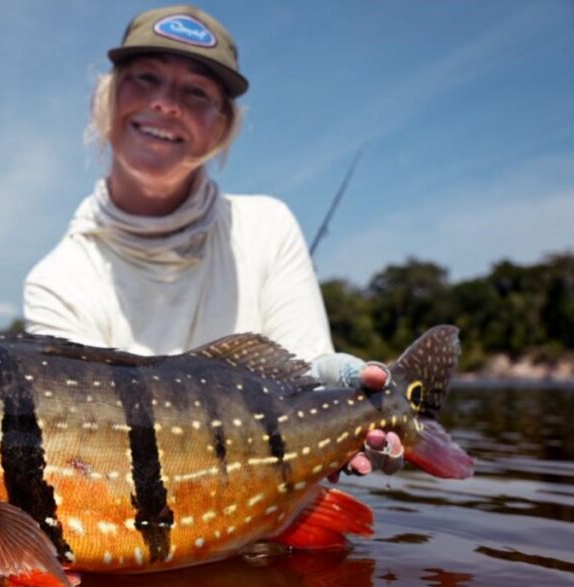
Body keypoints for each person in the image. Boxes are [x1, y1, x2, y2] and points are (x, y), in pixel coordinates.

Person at [23, 4, 401, 476]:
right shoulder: (56, 280)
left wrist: (341, 387)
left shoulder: (270, 225)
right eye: (145, 78)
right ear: (108, 98)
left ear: (222, 126)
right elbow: (79, 446)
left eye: (196, 92)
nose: (165, 103)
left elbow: (307, 374)